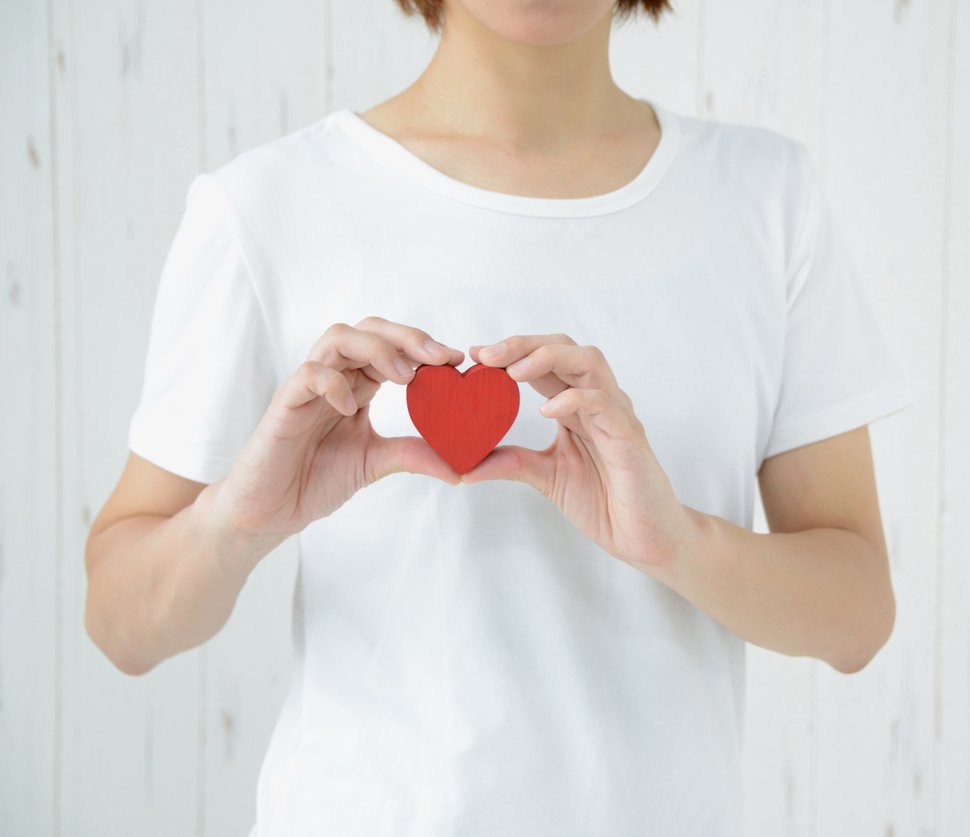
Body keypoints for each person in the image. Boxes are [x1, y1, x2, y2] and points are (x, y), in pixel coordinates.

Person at [83, 0, 915, 834]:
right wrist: (240, 519)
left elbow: (857, 612)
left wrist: (679, 543)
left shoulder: (768, 198)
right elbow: (121, 622)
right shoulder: (265, 205)